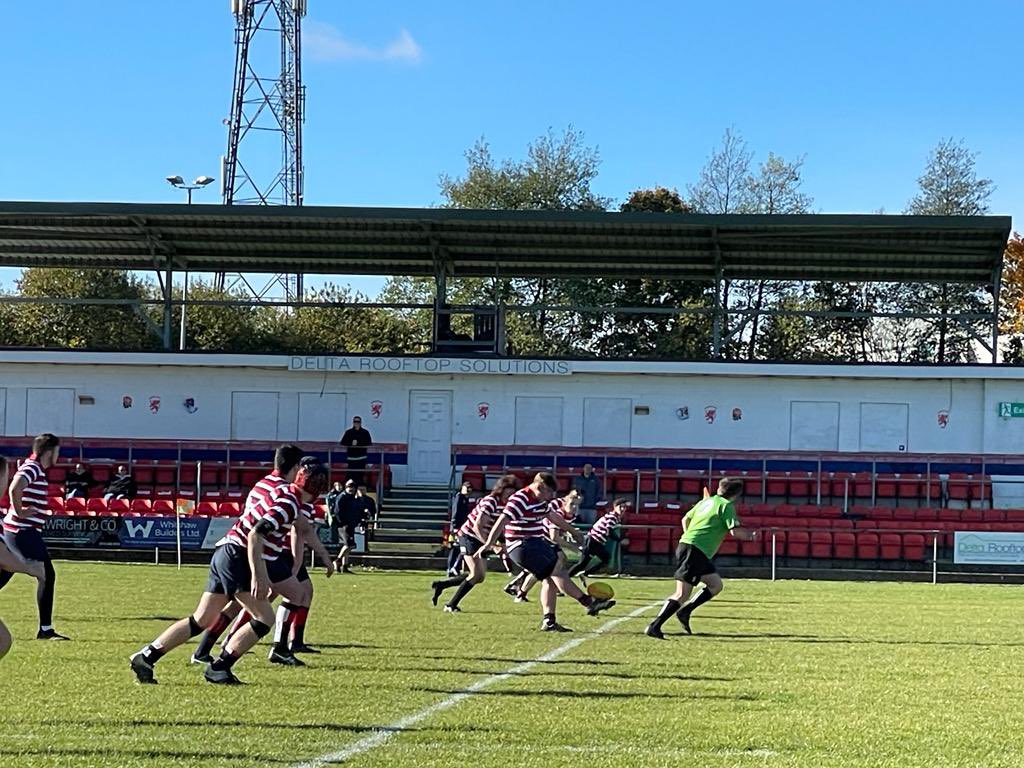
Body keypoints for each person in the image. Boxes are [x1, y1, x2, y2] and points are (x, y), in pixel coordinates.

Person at [130, 459, 331, 685]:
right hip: (238, 556)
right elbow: (256, 534)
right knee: (264, 618)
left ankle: (146, 656)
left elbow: (300, 526)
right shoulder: (289, 503)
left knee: (201, 619)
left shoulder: (286, 494)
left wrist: (323, 555)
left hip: (226, 552)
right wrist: (259, 574)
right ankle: (220, 667)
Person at [190, 446, 331, 664]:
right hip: (265, 551)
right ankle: (252, 648)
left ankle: (206, 649)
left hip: (254, 548)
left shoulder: (264, 483)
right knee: (275, 600)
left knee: (255, 600)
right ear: (296, 468)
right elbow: (297, 527)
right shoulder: (289, 493)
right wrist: (296, 562)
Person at [481, 472, 615, 632]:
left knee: (550, 579)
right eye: (549, 492)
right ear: (539, 487)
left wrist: (574, 532)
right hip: (522, 545)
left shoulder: (539, 500)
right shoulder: (520, 499)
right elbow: (502, 520)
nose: (551, 496)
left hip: (534, 542)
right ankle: (589, 602)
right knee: (557, 571)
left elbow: (553, 517)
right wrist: (489, 543)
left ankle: (549, 621)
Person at [644, 477, 756, 639]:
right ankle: (655, 626)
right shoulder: (726, 506)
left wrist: (688, 535)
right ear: (737, 494)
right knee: (681, 594)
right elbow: (734, 531)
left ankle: (685, 611)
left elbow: (685, 519)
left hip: (692, 548)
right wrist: (751, 536)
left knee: (715, 585)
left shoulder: (706, 502)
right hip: (694, 551)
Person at [0, 433, 70, 640]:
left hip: (18, 531)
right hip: (23, 531)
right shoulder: (32, 467)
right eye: (57, 451)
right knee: (47, 575)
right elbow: (15, 486)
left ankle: (46, 630)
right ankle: (46, 630)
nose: (59, 456)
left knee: (6, 572)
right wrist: (20, 511)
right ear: (50, 451)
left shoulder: (35, 467)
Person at [430, 475, 518, 612]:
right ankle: (451, 605)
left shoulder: (506, 504)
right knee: (476, 574)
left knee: (479, 576)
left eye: (514, 491)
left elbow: (498, 527)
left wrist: (502, 542)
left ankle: (441, 585)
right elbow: (477, 526)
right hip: (469, 535)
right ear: (501, 489)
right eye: (509, 491)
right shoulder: (491, 501)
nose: (511, 494)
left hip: (480, 538)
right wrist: (492, 546)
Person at [506, 489, 581, 602]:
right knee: (548, 567)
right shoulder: (559, 513)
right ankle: (521, 592)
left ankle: (519, 588)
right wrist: (572, 547)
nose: (575, 507)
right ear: (564, 502)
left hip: (545, 539)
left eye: (577, 504)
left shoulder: (571, 514)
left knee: (553, 564)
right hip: (543, 539)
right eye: (572, 504)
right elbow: (554, 536)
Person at [568, 497, 627, 583]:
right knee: (601, 559)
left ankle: (580, 574)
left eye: (624, 507)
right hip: (593, 541)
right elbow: (609, 531)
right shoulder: (612, 517)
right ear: (615, 507)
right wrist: (619, 540)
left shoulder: (613, 517)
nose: (622, 509)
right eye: (620, 507)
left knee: (584, 563)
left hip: (595, 542)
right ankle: (571, 576)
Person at [332, 480, 360, 573]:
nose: (351, 489)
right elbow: (337, 512)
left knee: (347, 545)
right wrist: (343, 522)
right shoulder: (342, 497)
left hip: (350, 524)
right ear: (346, 487)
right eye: (349, 487)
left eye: (353, 487)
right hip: (344, 525)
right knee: (349, 545)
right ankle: (337, 561)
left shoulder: (352, 498)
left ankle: (344, 566)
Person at [447, 481, 472, 576]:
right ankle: (450, 568)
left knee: (457, 549)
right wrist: (455, 527)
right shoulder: (459, 498)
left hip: (461, 527)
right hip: (457, 528)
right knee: (455, 549)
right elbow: (455, 513)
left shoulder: (465, 499)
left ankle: (453, 568)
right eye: (467, 488)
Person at [339, 416, 372, 486]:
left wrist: (359, 443)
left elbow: (369, 443)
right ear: (353, 423)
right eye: (355, 421)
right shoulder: (349, 432)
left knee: (360, 476)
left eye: (358, 422)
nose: (356, 423)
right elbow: (343, 442)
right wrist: (351, 443)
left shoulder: (365, 432)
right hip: (351, 458)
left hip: (361, 458)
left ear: (361, 423)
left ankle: (360, 491)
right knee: (350, 476)